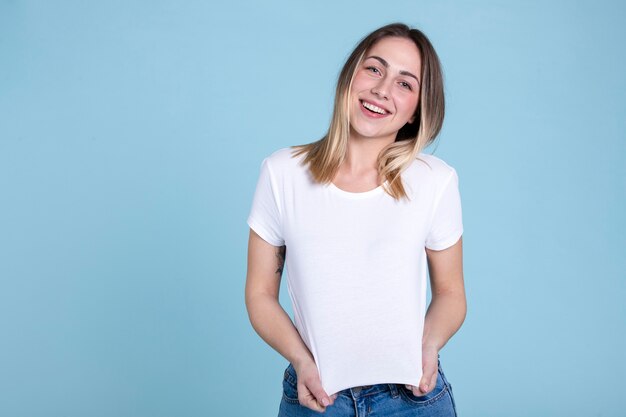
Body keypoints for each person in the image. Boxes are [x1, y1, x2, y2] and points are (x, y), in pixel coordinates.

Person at [245, 22, 465, 416]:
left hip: (412, 400)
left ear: (417, 109)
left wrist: (428, 346)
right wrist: (301, 360)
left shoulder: (435, 181)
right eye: (375, 69)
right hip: (316, 398)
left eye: (405, 83)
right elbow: (260, 295)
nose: (382, 89)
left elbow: (450, 293)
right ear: (351, 75)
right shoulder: (282, 173)